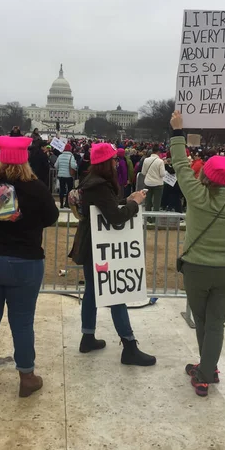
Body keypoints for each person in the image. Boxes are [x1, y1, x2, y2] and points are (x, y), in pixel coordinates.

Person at [170, 111, 225, 397]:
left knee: (203, 320)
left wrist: (177, 131)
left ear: (205, 174)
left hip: (196, 267)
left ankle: (205, 373)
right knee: (216, 321)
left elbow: (181, 166)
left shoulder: (196, 195)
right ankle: (208, 366)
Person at [0, 136, 59, 397]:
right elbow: (52, 217)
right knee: (22, 322)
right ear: (25, 159)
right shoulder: (36, 186)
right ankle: (27, 376)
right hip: (24, 261)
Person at [69, 142, 156, 366]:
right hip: (97, 247)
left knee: (91, 292)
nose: (117, 163)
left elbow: (108, 207)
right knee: (116, 294)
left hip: (92, 245)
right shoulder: (98, 185)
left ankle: (87, 337)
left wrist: (127, 201)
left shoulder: (92, 182)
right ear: (108, 163)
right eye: (115, 160)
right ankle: (129, 346)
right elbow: (115, 217)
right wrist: (135, 204)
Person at [141, 144, 166, 219]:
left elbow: (143, 172)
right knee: (156, 203)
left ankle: (147, 218)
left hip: (148, 183)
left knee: (148, 201)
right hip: (158, 184)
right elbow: (162, 174)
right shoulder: (160, 161)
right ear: (158, 152)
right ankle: (155, 218)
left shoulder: (146, 160)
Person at [55, 144, 77, 208]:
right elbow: (74, 166)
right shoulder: (71, 157)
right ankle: (67, 203)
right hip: (69, 176)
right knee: (69, 190)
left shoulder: (60, 156)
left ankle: (61, 204)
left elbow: (56, 165)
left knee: (62, 189)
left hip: (61, 175)